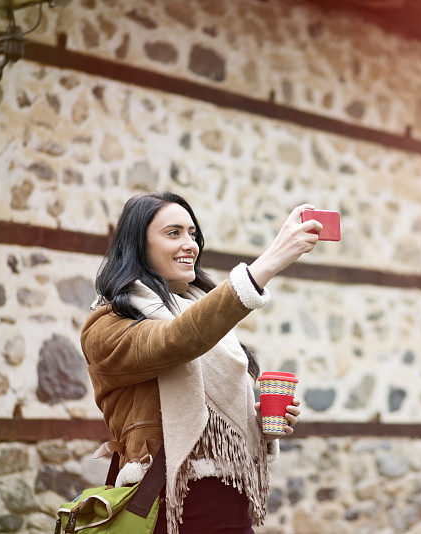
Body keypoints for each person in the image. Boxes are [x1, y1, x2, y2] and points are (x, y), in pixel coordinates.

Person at [80, 191, 323, 533]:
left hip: (233, 506)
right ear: (138, 246)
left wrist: (255, 420)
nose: (190, 244)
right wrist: (269, 262)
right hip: (169, 507)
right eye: (173, 233)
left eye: (193, 234)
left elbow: (197, 353)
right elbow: (176, 341)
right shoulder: (107, 324)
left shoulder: (205, 315)